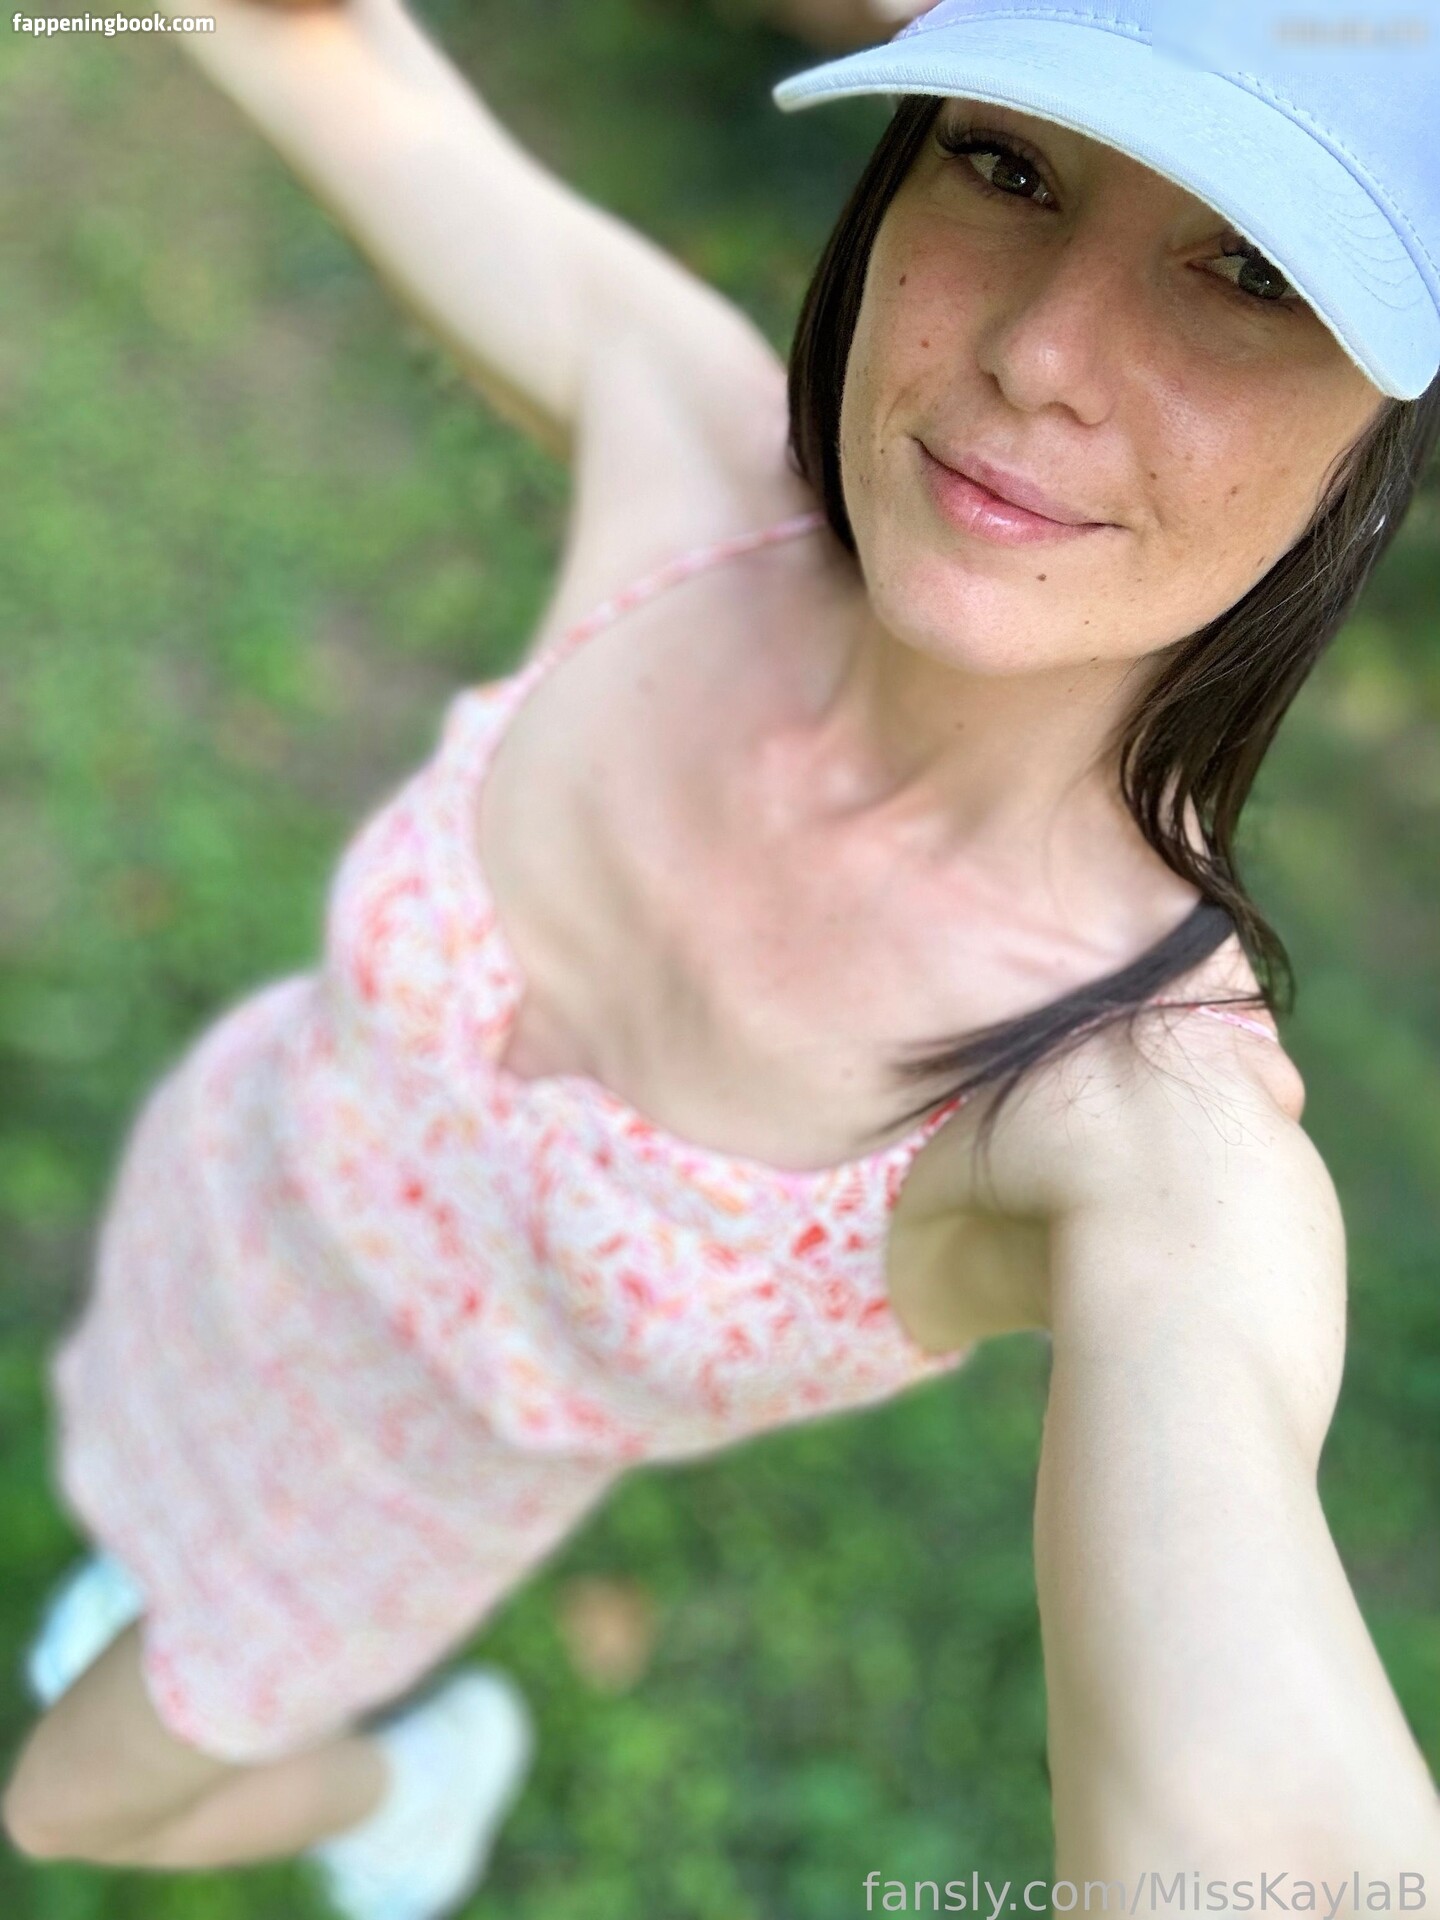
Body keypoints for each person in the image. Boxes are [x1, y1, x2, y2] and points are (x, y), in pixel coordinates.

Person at [5, 0, 1440, 1912]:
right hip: (222, 1205)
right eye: (1005, 163)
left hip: (367, 1524)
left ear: (1379, 439)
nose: (1038, 355)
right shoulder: (687, 470)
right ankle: (146, 1521)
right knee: (125, 1466)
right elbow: (297, 36)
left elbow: (1262, 1826)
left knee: (66, 1804)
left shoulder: (1128, 1109)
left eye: (1249, 274)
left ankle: (402, 1783)